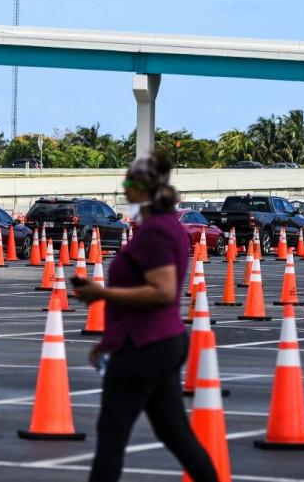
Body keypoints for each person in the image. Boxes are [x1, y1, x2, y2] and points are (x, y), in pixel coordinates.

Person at [73, 151, 218, 482]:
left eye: (127, 183)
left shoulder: (156, 233)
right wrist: (108, 342)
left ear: (140, 188)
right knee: (174, 432)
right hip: (157, 342)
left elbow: (163, 291)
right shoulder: (165, 227)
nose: (123, 190)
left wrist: (101, 294)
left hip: (144, 345)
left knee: (111, 436)